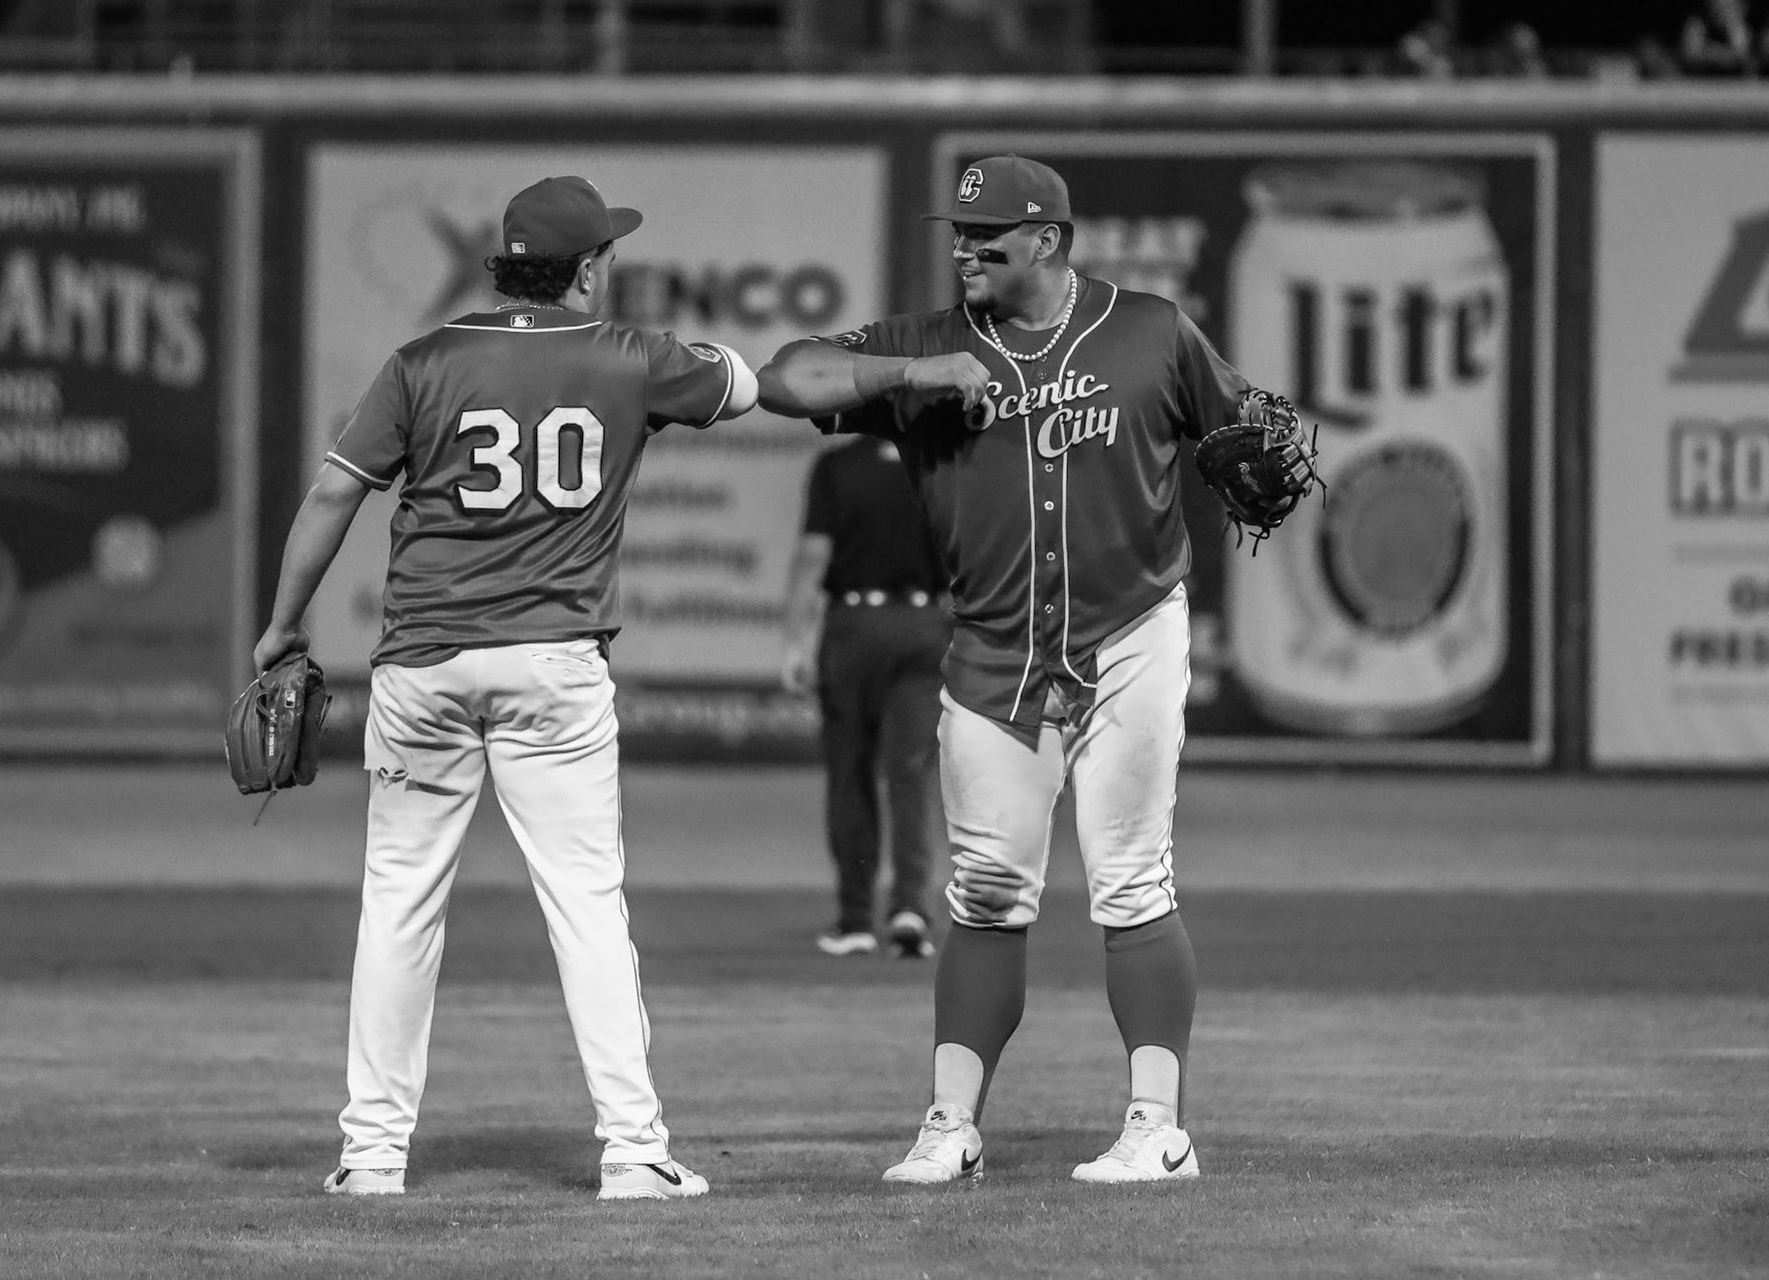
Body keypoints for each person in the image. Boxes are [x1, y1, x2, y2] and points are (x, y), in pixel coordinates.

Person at [757, 154, 1290, 1186]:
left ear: (1048, 240)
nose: (965, 247)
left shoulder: (1149, 329)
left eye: (988, 234)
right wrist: (905, 378)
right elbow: (786, 376)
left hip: (1132, 631)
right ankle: (950, 1123)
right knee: (988, 886)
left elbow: (1242, 426)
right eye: (959, 231)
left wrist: (1248, 441)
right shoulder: (926, 343)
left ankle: (1158, 1126)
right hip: (994, 648)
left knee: (1131, 876)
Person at [253, 175, 758, 1202]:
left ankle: (371, 1154)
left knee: (397, 907)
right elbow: (741, 383)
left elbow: (334, 492)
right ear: (581, 270)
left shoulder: (423, 361)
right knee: (587, 906)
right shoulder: (628, 356)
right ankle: (632, 1149)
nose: (610, 266)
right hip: (553, 664)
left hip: (424, 663)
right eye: (604, 253)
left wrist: (282, 623)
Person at [780, 435, 951, 959]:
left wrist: (794, 641)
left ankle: (855, 919)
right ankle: (909, 909)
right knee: (911, 772)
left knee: (851, 771)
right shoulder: (940, 459)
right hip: (924, 623)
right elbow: (965, 555)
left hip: (853, 625)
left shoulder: (838, 465)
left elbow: (813, 557)